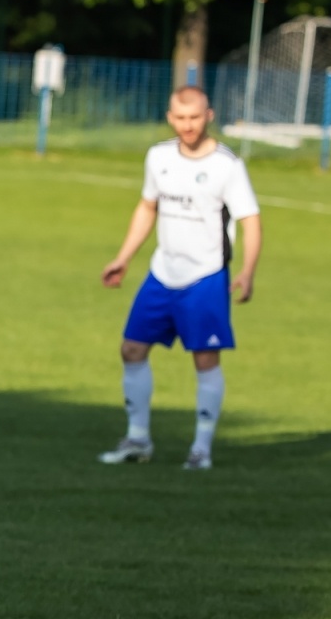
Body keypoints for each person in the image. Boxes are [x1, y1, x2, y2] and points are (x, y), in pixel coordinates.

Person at [99, 85, 261, 471]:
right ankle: (137, 439)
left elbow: (250, 220)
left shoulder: (226, 166)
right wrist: (124, 257)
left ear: (209, 116)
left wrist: (248, 272)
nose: (187, 125)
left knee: (205, 360)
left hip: (205, 277)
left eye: (194, 117)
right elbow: (147, 206)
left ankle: (201, 449)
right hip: (161, 272)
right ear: (170, 118)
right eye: (180, 118)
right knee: (131, 350)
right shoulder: (158, 157)